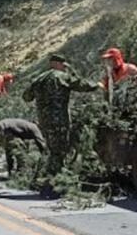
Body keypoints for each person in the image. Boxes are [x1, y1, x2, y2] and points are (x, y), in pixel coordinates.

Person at [23, 53, 101, 183]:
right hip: (59, 120)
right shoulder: (63, 77)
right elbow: (81, 85)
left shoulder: (39, 79)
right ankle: (54, 182)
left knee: (52, 148)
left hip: (43, 120)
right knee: (59, 151)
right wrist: (97, 85)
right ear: (57, 64)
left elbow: (26, 97)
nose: (64, 68)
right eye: (63, 65)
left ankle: (49, 179)